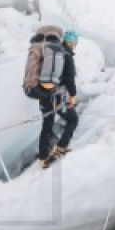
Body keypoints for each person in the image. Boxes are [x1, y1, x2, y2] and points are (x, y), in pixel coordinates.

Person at [23, 25, 78, 168]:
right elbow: (69, 79)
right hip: (57, 96)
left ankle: (43, 158)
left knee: (47, 124)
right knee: (73, 119)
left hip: (43, 93)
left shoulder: (47, 51)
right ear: (72, 43)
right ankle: (61, 147)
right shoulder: (65, 54)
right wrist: (73, 96)